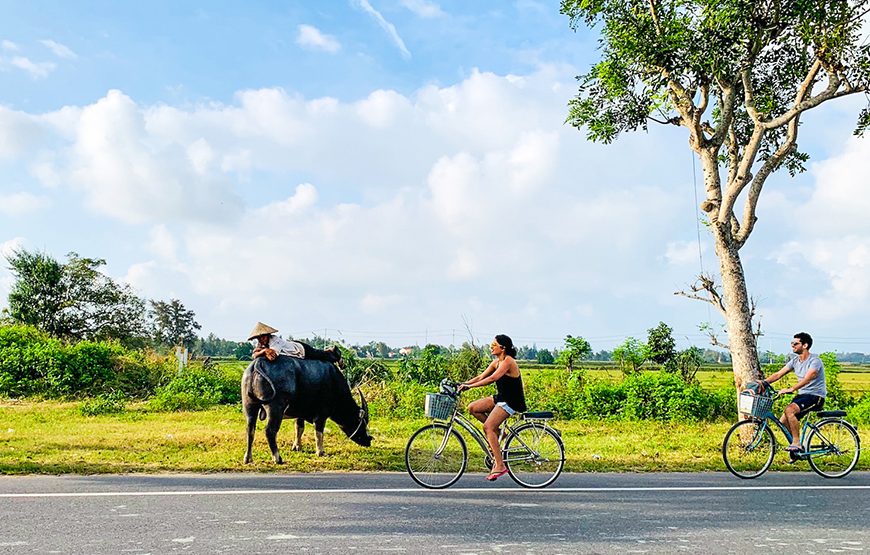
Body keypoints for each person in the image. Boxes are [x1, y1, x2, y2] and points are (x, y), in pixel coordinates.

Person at [457, 334, 527, 481]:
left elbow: (492, 379)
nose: (491, 347)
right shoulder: (496, 362)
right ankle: (500, 434)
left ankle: (500, 465)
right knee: (473, 408)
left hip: (512, 401)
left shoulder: (508, 361)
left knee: (488, 427)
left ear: (503, 348)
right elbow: (481, 377)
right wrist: (463, 384)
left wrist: (469, 387)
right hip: (501, 398)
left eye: (494, 345)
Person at [759, 332, 826, 452]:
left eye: (796, 343)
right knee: (782, 422)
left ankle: (796, 443)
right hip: (803, 396)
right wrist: (763, 383)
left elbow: (808, 377)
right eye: (792, 343)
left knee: (789, 410)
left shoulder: (815, 360)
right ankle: (797, 449)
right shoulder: (795, 361)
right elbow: (779, 374)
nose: (793, 346)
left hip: (816, 396)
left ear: (805, 345)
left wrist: (792, 389)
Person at [247, 322, 341, 365]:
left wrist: (262, 351)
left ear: (268, 335)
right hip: (290, 345)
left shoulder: (275, 341)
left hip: (299, 349)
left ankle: (335, 355)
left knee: (318, 354)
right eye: (259, 338)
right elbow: (254, 355)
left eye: (263, 337)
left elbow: (273, 356)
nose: (261, 340)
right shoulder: (262, 344)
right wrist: (263, 351)